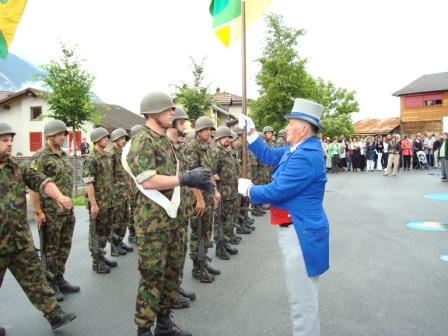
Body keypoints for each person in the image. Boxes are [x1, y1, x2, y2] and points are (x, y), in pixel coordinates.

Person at [238, 98, 329, 336]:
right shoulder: (298, 149)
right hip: (296, 229)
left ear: (303, 128)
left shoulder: (305, 155)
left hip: (301, 232)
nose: (287, 128)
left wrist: (248, 190)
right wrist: (252, 133)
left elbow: (278, 191)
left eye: (291, 123)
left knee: (302, 302)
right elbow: (268, 155)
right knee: (300, 297)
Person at [125, 92, 213, 336]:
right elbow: (148, 180)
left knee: (172, 273)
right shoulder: (143, 140)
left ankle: (164, 323)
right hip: (152, 222)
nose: (173, 114)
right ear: (153, 112)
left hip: (174, 218)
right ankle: (144, 329)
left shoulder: (164, 139)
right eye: (168, 110)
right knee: (152, 276)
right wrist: (184, 179)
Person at [0, 122, 77, 332]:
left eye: (10, 140)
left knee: (35, 279)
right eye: (4, 140)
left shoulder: (16, 167)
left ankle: (54, 315)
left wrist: (60, 196)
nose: (9, 144)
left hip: (19, 240)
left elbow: (41, 181)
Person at [29, 120, 80, 302]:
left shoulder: (64, 155)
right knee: (50, 250)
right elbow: (33, 187)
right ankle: (50, 284)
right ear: (50, 135)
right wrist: (38, 211)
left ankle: (59, 278)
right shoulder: (40, 157)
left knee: (64, 247)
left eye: (65, 134)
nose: (63, 137)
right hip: (50, 212)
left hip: (66, 210)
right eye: (60, 134)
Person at [165, 107, 197, 310]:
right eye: (181, 121)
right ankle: (169, 295)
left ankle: (176, 286)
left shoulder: (178, 148)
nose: (185, 125)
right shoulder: (164, 148)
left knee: (179, 252)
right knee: (170, 256)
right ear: (172, 123)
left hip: (182, 208)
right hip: (168, 210)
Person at [183, 116, 222, 283]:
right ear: (198, 131)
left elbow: (210, 172)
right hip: (196, 197)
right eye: (205, 129)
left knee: (206, 231)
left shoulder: (207, 148)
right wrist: (199, 199)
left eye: (210, 130)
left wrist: (215, 192)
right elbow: (191, 177)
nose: (208, 132)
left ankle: (203, 260)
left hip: (207, 195)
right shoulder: (192, 149)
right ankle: (197, 267)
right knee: (198, 232)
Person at [83, 127, 117, 274]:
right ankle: (96, 261)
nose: (107, 140)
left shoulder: (107, 156)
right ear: (96, 139)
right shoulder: (91, 158)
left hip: (108, 201)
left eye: (107, 137)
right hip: (98, 203)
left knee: (105, 231)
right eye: (104, 138)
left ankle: (101, 255)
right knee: (96, 232)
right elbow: (88, 183)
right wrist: (94, 204)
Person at [107, 128, 134, 256]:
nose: (123, 141)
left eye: (124, 138)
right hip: (115, 194)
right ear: (115, 139)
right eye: (121, 138)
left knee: (124, 219)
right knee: (116, 221)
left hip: (124, 192)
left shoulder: (122, 152)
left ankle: (119, 241)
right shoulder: (111, 153)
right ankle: (113, 246)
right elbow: (108, 176)